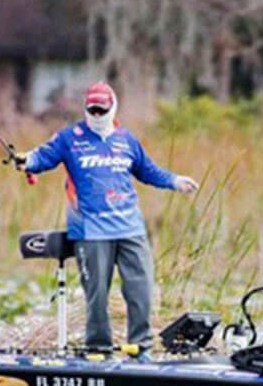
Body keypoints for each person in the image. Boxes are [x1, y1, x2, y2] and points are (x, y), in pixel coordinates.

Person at [16, 82, 198, 360]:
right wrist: (26, 160)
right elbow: (42, 156)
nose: (97, 115)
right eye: (92, 110)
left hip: (130, 228)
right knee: (97, 297)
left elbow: (148, 171)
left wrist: (175, 181)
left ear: (113, 108)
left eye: (102, 110)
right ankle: (98, 352)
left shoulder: (127, 140)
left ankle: (141, 352)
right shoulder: (70, 138)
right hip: (90, 231)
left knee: (141, 293)